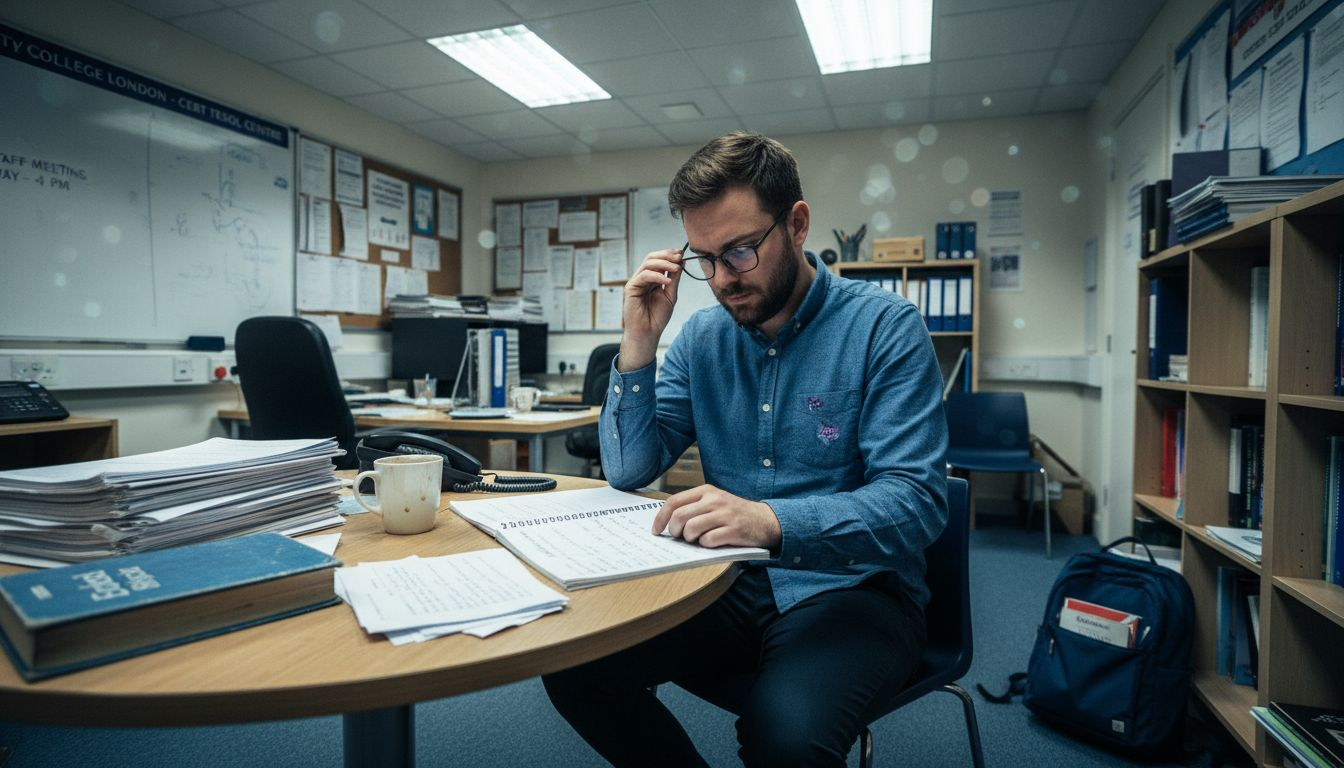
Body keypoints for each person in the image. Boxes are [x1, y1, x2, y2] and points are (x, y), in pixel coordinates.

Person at [542, 132, 948, 767]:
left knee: (783, 742)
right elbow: (627, 468)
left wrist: (771, 521)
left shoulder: (884, 327)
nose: (723, 279)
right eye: (704, 258)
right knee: (573, 664)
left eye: (739, 251)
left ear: (798, 224)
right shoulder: (703, 338)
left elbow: (917, 503)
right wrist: (639, 342)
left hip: (854, 588)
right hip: (722, 581)